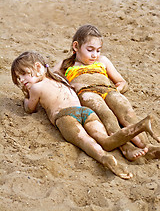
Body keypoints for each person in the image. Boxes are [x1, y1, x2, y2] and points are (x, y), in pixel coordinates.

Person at [11, 51, 159, 180]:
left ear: (38, 67)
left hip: (65, 116)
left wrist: (26, 97)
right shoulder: (60, 79)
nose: (21, 80)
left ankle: (103, 157)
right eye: (18, 79)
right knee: (106, 140)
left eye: (23, 74)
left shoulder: (36, 87)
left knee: (86, 141)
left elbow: (30, 108)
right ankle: (140, 126)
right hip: (85, 112)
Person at [53, 24, 160, 161]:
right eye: (90, 50)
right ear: (76, 46)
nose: (94, 55)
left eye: (98, 50)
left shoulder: (102, 61)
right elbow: (51, 78)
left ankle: (147, 146)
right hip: (87, 92)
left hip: (108, 89)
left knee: (127, 112)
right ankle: (126, 148)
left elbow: (122, 82)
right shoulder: (67, 64)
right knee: (107, 116)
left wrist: (117, 91)